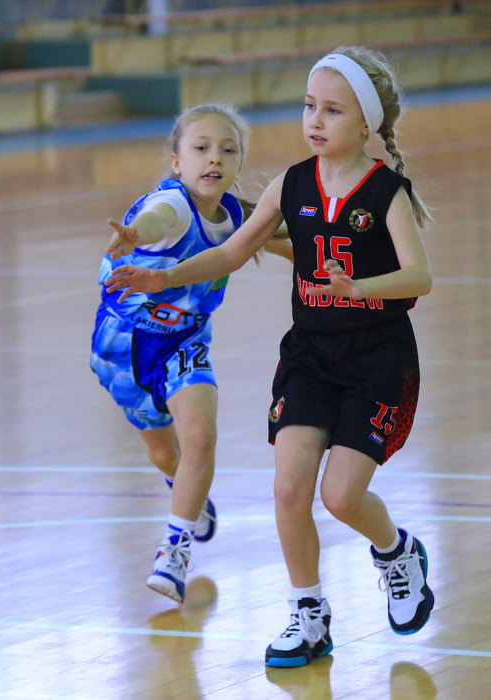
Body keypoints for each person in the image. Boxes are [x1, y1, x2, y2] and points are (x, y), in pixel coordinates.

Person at [103, 46, 435, 665]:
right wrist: (163, 277)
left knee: (341, 497)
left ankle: (397, 553)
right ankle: (308, 615)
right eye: (310, 106)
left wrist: (358, 288)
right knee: (288, 491)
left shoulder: (386, 192)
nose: (315, 120)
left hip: (376, 358)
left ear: (366, 124)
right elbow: (230, 253)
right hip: (310, 355)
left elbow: (421, 277)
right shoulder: (291, 184)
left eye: (332, 110)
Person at [90, 102, 293, 605]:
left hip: (185, 341)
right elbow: (157, 220)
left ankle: (174, 551)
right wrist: (136, 235)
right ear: (177, 162)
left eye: (228, 149)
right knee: (165, 452)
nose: (214, 157)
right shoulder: (173, 205)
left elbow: (288, 243)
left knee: (200, 437)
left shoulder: (237, 217)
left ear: (239, 163)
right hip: (123, 345)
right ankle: (181, 486)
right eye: (201, 148)